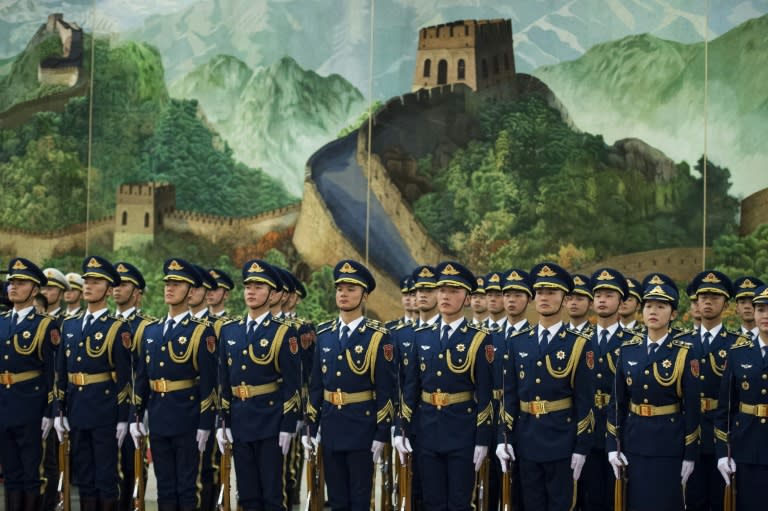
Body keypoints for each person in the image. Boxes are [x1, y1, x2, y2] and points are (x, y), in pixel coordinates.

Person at [395, 261, 493, 511]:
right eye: (442, 290)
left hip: (463, 430)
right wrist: (401, 428)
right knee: (432, 501)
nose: (445, 296)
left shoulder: (479, 338)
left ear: (468, 298)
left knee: (459, 503)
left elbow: (485, 394)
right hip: (427, 430)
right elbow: (411, 388)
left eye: (453, 291)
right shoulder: (422, 335)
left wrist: (482, 439)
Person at [496, 262, 592, 511]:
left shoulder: (578, 344)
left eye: (552, 292)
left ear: (564, 298)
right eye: (540, 292)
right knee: (530, 503)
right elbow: (510, 396)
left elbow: (585, 401)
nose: (544, 298)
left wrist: (581, 447)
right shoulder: (518, 342)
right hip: (527, 437)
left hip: (562, 438)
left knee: (560, 505)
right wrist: (503, 438)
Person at [303, 259, 396, 511]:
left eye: (351, 289)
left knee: (359, 499)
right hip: (332, 426)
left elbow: (386, 389)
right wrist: (311, 425)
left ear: (364, 295)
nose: (343, 294)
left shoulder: (377, 336)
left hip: (362, 428)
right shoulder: (324, 334)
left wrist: (381, 432)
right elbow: (316, 386)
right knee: (337, 499)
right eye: (340, 289)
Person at [606, 273, 700, 511]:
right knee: (635, 502)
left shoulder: (683, 353)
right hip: (634, 440)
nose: (653, 312)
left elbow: (691, 408)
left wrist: (690, 453)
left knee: (665, 503)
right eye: (648, 306)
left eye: (661, 306)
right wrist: (612, 445)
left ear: (674, 314)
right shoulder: (628, 351)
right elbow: (617, 402)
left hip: (668, 443)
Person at [130, 258, 218, 511]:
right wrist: (137, 415)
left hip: (187, 417)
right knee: (165, 488)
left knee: (187, 488)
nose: (170, 287)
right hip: (158, 416)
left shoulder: (202, 332)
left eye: (177, 284)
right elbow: (142, 379)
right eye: (168, 282)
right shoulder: (151, 331)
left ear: (191, 291)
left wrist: (204, 424)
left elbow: (209, 384)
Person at [216, 259, 301, 510]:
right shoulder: (230, 331)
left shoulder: (283, 332)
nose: (251, 292)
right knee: (247, 494)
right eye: (248, 286)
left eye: (259, 287)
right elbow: (223, 380)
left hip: (270, 421)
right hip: (241, 419)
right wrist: (224, 420)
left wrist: (287, 426)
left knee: (272, 494)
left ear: (273, 293)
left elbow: (292, 385)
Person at [53, 256, 133, 511]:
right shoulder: (70, 325)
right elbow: (61, 372)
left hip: (104, 411)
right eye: (87, 280)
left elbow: (125, 378)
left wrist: (123, 417)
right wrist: (59, 409)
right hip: (77, 409)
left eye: (96, 282)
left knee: (105, 478)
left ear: (109, 290)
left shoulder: (117, 328)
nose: (88, 286)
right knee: (84, 478)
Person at [0, 258, 60, 511]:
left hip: (31, 406)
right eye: (11, 282)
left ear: (34, 290)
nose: (13, 287)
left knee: (32, 474)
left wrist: (50, 411)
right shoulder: (1, 320)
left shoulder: (45, 325)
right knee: (11, 474)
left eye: (21, 283)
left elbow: (53, 373)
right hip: (4, 404)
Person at [684, 271, 742, 511]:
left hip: (723, 434)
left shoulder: (737, 344)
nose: (707, 302)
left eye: (715, 297)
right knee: (693, 499)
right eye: (703, 297)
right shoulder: (682, 342)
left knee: (722, 500)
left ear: (726, 305)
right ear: (696, 303)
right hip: (690, 433)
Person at [714, 283, 768, 511]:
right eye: (761, 310)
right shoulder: (738, 353)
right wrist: (722, 453)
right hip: (748, 444)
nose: (765, 315)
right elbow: (725, 408)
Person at [580, 268, 630, 511]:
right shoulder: (580, 339)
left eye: (609, 295)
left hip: (620, 431)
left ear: (621, 301)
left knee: (618, 498)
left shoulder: (632, 341)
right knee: (589, 497)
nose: (602, 299)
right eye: (598, 294)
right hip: (586, 430)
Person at [113, 261, 154, 511]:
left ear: (137, 292)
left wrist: (143, 410)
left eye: (124, 284)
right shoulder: (103, 323)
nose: (117, 288)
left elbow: (146, 372)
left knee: (132, 470)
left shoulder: (147, 326)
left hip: (133, 408)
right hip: (103, 406)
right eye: (114, 284)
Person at [733, 276, 764, 341]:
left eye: (752, 302)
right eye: (742, 302)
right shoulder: (729, 341)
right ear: (737, 308)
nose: (747, 306)